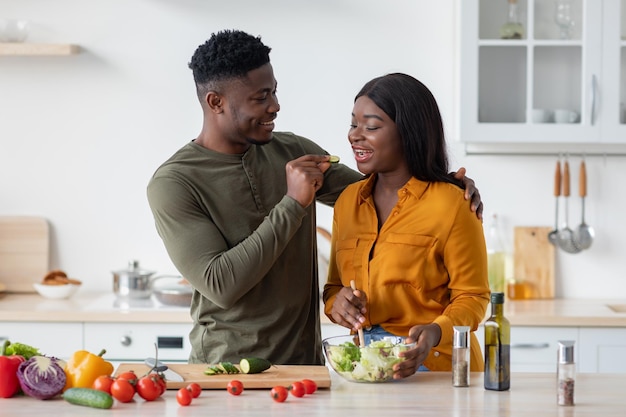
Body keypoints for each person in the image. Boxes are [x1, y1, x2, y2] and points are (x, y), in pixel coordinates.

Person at [147, 29, 483, 365]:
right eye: (261, 97)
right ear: (215, 102)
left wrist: (448, 188)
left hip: (306, 368)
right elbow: (220, 284)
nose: (275, 106)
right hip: (227, 368)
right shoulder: (174, 182)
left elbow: (381, 193)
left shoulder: (293, 150)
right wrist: (293, 204)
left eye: (274, 91)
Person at [323, 73, 490, 378]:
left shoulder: (452, 203)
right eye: (353, 124)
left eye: (371, 126)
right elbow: (334, 288)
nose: (355, 135)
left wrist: (435, 333)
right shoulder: (348, 202)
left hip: (439, 366)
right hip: (366, 366)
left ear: (409, 132)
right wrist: (337, 305)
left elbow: (474, 297)